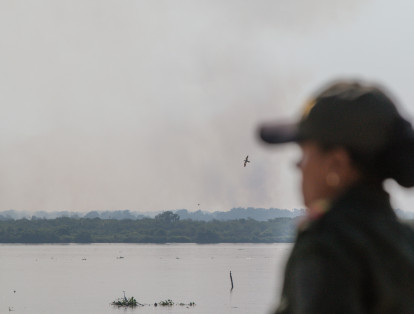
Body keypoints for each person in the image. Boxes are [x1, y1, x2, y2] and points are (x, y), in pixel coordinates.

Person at [258, 80, 414, 313]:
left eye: (305, 152)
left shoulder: (328, 243)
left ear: (336, 165)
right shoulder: (405, 239)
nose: (298, 165)